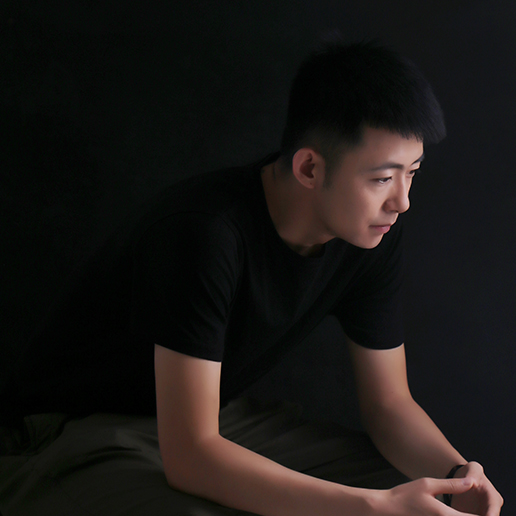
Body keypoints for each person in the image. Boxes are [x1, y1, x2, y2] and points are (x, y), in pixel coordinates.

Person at [0, 41, 503, 516]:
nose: (402, 201)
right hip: (69, 432)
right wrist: (371, 508)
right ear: (310, 168)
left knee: (418, 494)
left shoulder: (371, 232)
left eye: (412, 172)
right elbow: (191, 454)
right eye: (383, 178)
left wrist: (457, 476)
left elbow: (389, 403)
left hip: (213, 420)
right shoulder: (205, 232)